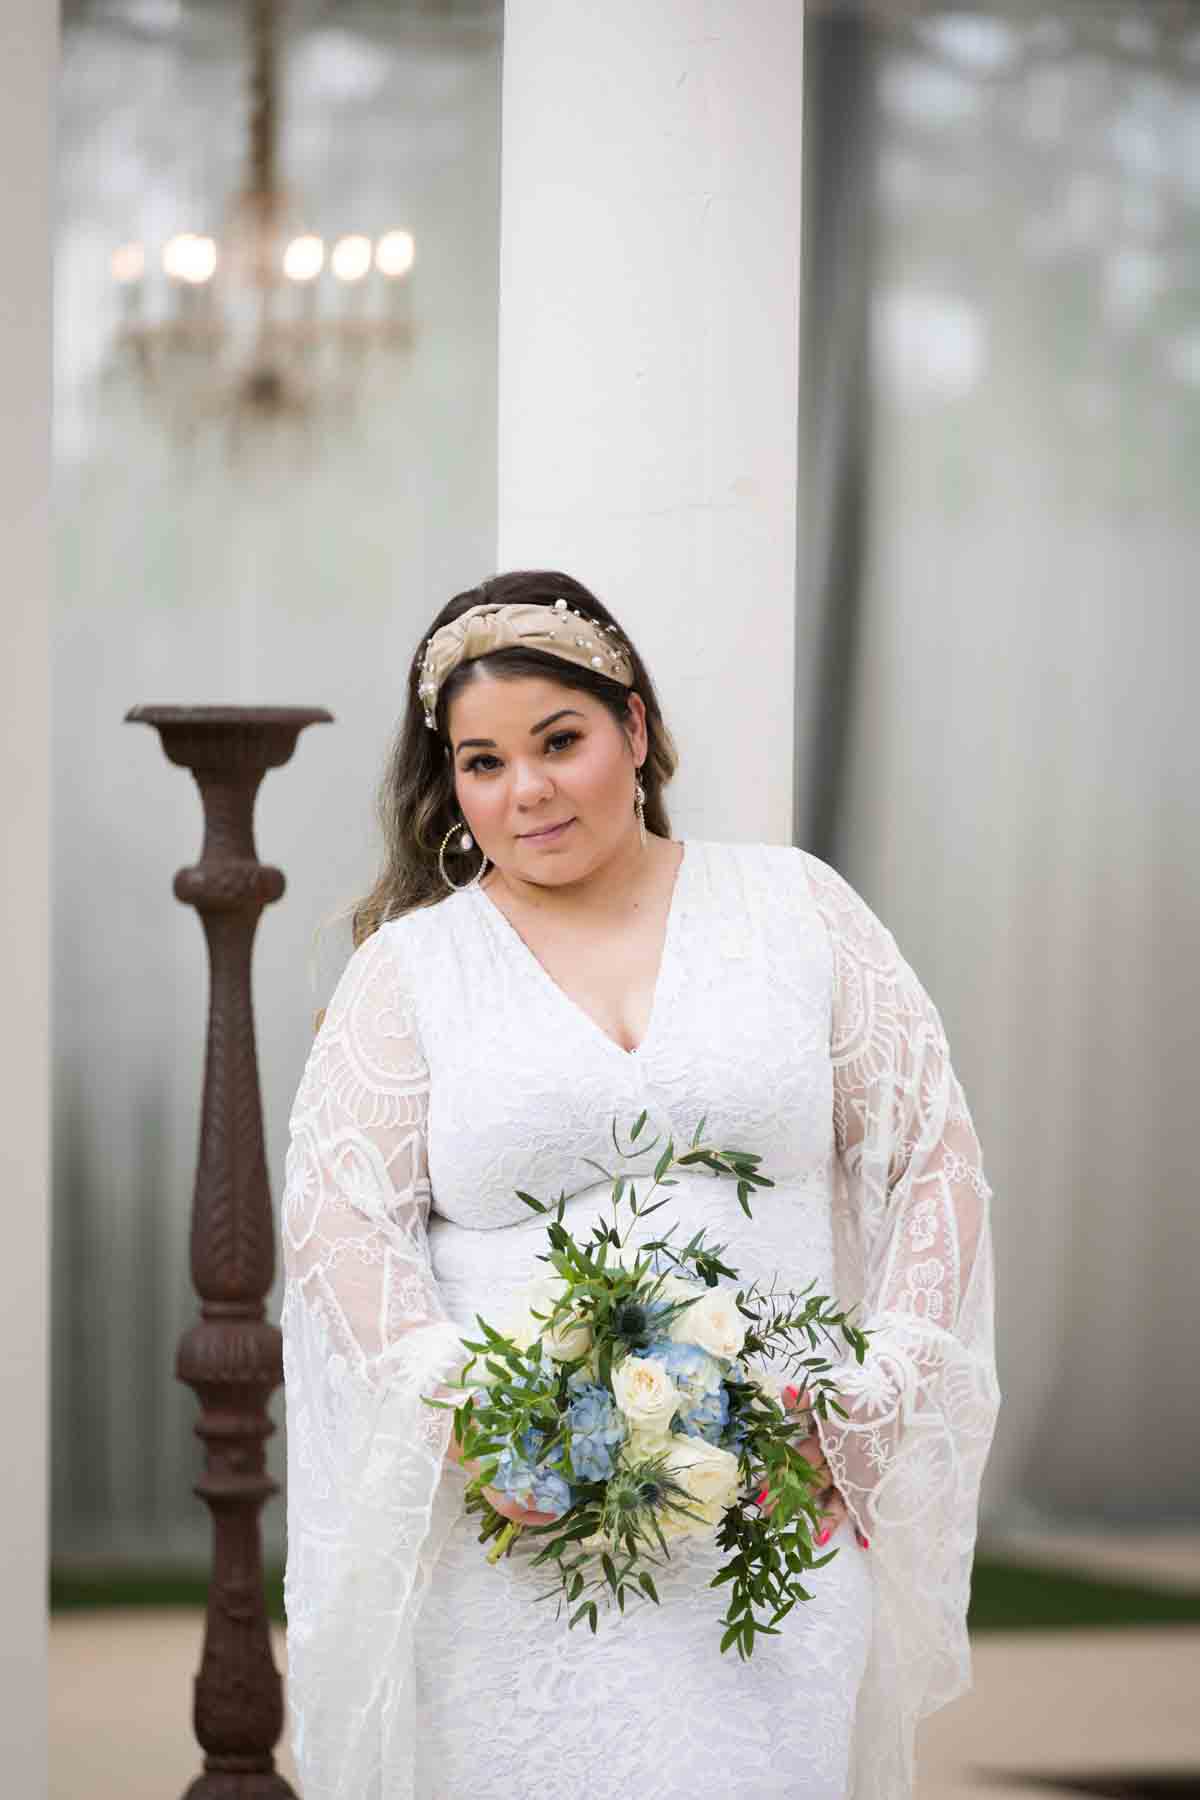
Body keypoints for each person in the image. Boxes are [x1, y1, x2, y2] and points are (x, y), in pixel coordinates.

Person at [279, 569, 1000, 1800]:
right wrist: (470, 1413)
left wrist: (873, 1389)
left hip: (769, 1511)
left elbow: (933, 1155)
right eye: (482, 761)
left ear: (638, 730)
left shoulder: (797, 910)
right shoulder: (414, 972)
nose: (528, 791)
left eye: (559, 742)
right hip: (519, 1525)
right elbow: (341, 1221)